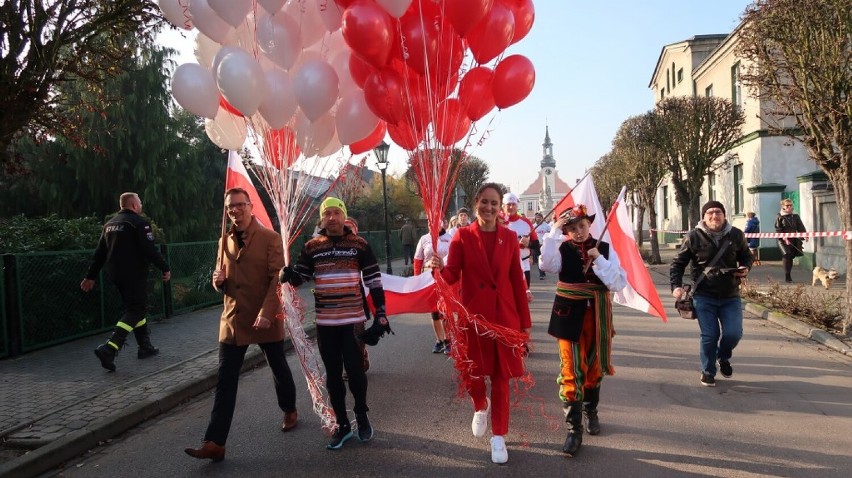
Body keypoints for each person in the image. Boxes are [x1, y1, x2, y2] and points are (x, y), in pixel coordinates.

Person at [185, 188, 298, 462]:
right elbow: (221, 279)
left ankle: (289, 408)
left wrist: (268, 312)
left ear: (250, 207)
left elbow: (277, 279)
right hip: (233, 319)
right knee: (225, 380)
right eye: (229, 207)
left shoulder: (271, 239)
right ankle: (215, 442)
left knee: (278, 368)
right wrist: (217, 280)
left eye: (239, 205)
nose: (234, 211)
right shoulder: (223, 240)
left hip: (263, 315)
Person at [429, 183, 532, 465]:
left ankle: (498, 436)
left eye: (494, 203)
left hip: (504, 318)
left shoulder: (509, 238)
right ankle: (479, 404)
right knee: (473, 372)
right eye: (484, 202)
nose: (489, 207)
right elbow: (451, 276)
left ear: (500, 208)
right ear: (476, 203)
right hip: (473, 318)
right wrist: (437, 267)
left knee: (500, 378)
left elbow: (516, 280)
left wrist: (524, 323)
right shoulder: (462, 236)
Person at [279, 197, 390, 450]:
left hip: (353, 321)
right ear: (321, 219)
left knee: (355, 371)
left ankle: (361, 416)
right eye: (326, 213)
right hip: (326, 322)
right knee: (333, 376)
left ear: (344, 216)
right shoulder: (311, 247)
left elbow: (374, 281)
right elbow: (301, 278)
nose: (332, 217)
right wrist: (287, 275)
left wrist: (381, 313)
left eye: (336, 212)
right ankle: (342, 424)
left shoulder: (359, 245)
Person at [538, 204, 626, 457]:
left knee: (594, 369)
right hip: (568, 316)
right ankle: (573, 430)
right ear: (566, 230)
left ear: (589, 225)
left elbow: (618, 282)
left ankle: (591, 411)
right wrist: (553, 232)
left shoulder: (605, 248)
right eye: (572, 228)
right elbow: (547, 266)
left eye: (582, 226)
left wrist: (599, 259)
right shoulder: (561, 248)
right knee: (571, 370)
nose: (578, 231)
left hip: (597, 316)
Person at [81, 192, 171, 372]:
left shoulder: (109, 225)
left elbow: (100, 253)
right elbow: (149, 250)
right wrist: (165, 267)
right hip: (134, 274)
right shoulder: (138, 223)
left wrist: (90, 276)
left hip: (116, 275)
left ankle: (145, 347)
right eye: (140, 203)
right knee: (136, 310)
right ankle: (109, 347)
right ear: (134, 205)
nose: (141, 206)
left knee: (135, 308)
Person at [670, 201, 753, 388]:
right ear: (703, 216)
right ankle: (708, 371)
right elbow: (677, 263)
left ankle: (723, 357)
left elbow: (747, 255)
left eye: (718, 212)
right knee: (710, 335)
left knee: (734, 334)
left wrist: (746, 268)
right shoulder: (693, 237)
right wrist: (676, 286)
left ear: (724, 215)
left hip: (730, 294)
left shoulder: (736, 235)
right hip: (704, 295)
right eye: (710, 212)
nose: (714, 216)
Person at [413, 219, 452, 354]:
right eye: (430, 223)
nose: (432, 225)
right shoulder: (424, 239)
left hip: (445, 279)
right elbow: (418, 260)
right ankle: (439, 340)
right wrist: (417, 279)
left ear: (441, 224)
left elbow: (454, 259)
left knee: (446, 310)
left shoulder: (449, 238)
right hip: (429, 279)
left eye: (435, 222)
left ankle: (448, 340)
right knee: (434, 311)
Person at [502, 192, 540, 288]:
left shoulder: (526, 222)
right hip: (504, 266)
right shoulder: (498, 222)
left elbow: (536, 245)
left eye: (513, 204)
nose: (511, 207)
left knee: (524, 297)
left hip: (524, 265)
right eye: (508, 204)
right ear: (503, 206)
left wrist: (528, 244)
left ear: (517, 205)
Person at [774, 199, 806, 282]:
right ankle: (787, 276)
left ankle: (788, 275)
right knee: (786, 254)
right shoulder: (779, 216)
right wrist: (783, 237)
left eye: (790, 205)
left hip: (793, 239)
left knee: (790, 256)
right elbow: (778, 228)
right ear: (783, 207)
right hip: (782, 239)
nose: (789, 207)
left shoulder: (795, 216)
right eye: (787, 205)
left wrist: (804, 235)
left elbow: (800, 227)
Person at [532, 211, 551, 279]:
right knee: (538, 259)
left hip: (544, 245)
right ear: (535, 218)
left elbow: (550, 233)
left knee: (543, 259)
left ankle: (543, 270)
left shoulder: (546, 225)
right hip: (536, 245)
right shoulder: (533, 226)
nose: (538, 219)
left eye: (540, 217)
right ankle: (541, 274)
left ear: (542, 218)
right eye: (537, 217)